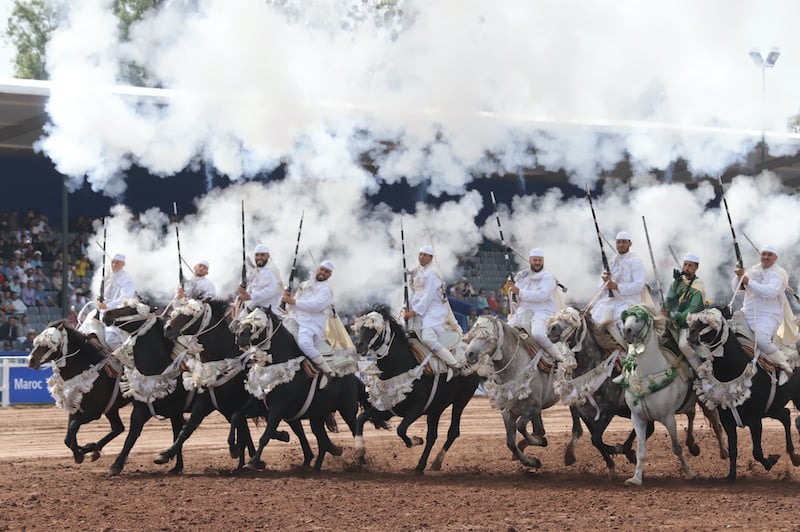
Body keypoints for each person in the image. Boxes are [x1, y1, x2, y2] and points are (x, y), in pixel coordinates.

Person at [733, 244, 796, 384]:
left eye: (769, 254)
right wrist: (739, 276)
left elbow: (769, 292)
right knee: (728, 333)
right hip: (747, 312)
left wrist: (748, 281)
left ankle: (785, 365)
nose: (765, 257)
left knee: (761, 339)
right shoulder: (752, 270)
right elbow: (736, 290)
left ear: (775, 257)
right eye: (763, 254)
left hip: (768, 316)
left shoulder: (779, 273)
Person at [403, 245, 463, 377]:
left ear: (431, 257)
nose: (421, 257)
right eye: (420, 254)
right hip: (418, 309)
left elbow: (427, 296)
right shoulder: (419, 271)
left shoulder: (432, 273)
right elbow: (414, 291)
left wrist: (413, 312)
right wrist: (406, 307)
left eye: (425, 255)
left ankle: (454, 364)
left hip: (433, 311)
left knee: (428, 339)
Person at [506, 248, 566, 364]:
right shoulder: (522, 276)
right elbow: (518, 296)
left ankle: (560, 359)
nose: (537, 263)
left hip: (542, 311)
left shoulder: (548, 277)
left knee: (538, 334)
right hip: (523, 310)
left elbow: (542, 296)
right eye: (535, 260)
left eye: (540, 260)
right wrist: (512, 287)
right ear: (530, 261)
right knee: (506, 331)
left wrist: (519, 292)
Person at [280, 261, 335, 376]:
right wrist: (288, 299)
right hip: (294, 319)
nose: (323, 273)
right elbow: (292, 306)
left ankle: (327, 371)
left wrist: (293, 301)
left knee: (304, 344)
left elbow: (316, 306)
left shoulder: (326, 289)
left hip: (311, 324)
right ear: (317, 269)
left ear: (330, 275)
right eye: (322, 269)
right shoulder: (304, 285)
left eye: (326, 272)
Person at [590, 231, 646, 340]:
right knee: (593, 321)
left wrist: (616, 286)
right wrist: (605, 283)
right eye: (618, 242)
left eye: (624, 242)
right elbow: (599, 287)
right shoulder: (611, 262)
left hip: (628, 302)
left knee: (624, 327)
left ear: (630, 244)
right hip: (608, 302)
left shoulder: (636, 261)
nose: (621, 245)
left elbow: (638, 285)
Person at [664, 253, 706, 358]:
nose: (686, 268)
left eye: (690, 265)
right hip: (673, 319)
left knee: (683, 345)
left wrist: (679, 317)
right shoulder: (678, 282)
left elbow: (694, 308)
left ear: (696, 267)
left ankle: (698, 366)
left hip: (689, 322)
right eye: (685, 265)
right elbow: (670, 301)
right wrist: (676, 283)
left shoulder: (698, 285)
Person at [237, 245, 283, 311]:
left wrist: (250, 297)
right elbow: (250, 285)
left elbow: (270, 291)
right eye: (257, 255)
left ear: (268, 256)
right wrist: (242, 288)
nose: (259, 258)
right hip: (252, 308)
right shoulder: (256, 271)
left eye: (262, 255)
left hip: (268, 309)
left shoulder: (272, 271)